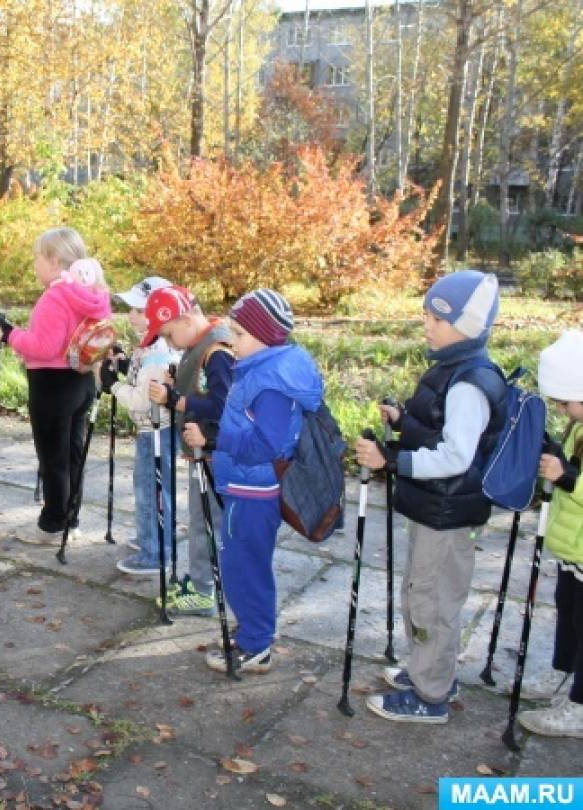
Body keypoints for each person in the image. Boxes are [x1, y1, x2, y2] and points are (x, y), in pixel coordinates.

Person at [355, 270, 506, 723]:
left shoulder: (467, 381)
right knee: (424, 593)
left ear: (468, 325)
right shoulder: (453, 369)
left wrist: (392, 462)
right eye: (426, 316)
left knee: (433, 602)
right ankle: (430, 670)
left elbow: (457, 455)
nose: (427, 325)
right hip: (437, 508)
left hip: (447, 510)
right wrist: (403, 420)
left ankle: (430, 694)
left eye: (437, 319)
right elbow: (441, 429)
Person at [184, 289, 323, 674]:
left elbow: (268, 444)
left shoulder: (273, 383)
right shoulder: (261, 370)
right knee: (239, 564)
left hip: (255, 490)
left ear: (265, 337)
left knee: (245, 568)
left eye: (240, 334)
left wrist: (214, 440)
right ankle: (250, 632)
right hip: (245, 485)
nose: (232, 341)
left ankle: (256, 643)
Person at [0, 228, 111, 545]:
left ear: (55, 261)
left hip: (52, 384)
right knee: (72, 456)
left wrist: (9, 335)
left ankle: (52, 524)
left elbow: (44, 347)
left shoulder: (56, 296)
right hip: (80, 379)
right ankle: (70, 519)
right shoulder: (91, 293)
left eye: (38, 258)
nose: (35, 264)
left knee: (52, 458)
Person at [144, 286, 234, 615]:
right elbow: (202, 385)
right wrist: (177, 381)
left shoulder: (217, 351)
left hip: (212, 452)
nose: (168, 343)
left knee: (204, 521)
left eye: (168, 335)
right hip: (203, 450)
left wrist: (176, 400)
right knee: (203, 519)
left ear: (184, 319)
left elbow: (223, 405)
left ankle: (204, 591)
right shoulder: (202, 343)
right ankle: (203, 582)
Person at [517, 330, 583, 738]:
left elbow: (576, 481)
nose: (561, 408)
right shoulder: (579, 426)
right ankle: (564, 675)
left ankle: (579, 708)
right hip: (572, 547)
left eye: (564, 401)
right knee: (569, 613)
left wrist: (567, 479)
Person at [98, 277, 182, 576]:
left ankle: (155, 552)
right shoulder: (150, 346)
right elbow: (142, 378)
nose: (131, 315)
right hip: (155, 430)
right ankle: (152, 537)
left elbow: (140, 401)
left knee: (151, 491)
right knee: (153, 489)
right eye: (130, 308)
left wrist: (113, 386)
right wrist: (124, 365)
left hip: (156, 431)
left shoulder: (157, 352)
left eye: (138, 309)